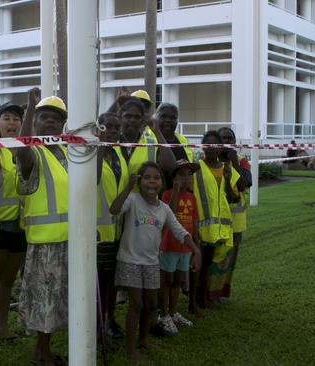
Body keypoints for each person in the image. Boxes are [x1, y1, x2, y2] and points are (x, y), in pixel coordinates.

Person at [110, 162, 201, 362]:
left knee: (151, 305)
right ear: (140, 182)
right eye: (147, 177)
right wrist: (127, 188)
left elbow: (179, 231)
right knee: (136, 304)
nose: (152, 181)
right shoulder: (133, 200)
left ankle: (143, 340)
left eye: (156, 177)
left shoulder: (164, 209)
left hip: (151, 263)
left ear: (162, 182)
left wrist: (195, 250)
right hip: (130, 260)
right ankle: (130, 349)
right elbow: (114, 209)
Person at [15, 88, 69, 366]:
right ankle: (41, 354)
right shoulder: (33, 154)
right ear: (35, 123)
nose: (50, 122)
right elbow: (21, 149)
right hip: (44, 243)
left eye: (56, 119)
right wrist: (30, 107)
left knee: (58, 300)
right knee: (44, 301)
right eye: (44, 117)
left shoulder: (69, 154)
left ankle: (45, 351)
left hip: (69, 240)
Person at [0, 102, 27, 343]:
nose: (12, 123)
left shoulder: (25, 149)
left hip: (20, 225)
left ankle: (1, 329)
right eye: (7, 118)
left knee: (8, 282)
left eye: (16, 119)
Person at [191, 130, 239, 312]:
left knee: (209, 266)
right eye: (208, 144)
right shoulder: (197, 167)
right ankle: (196, 299)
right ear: (203, 146)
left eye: (215, 145)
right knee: (198, 266)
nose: (212, 148)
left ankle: (204, 297)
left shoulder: (226, 168)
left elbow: (232, 196)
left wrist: (227, 178)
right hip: (201, 225)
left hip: (219, 227)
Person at [204, 127, 251, 304]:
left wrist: (235, 164)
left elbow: (243, 186)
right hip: (213, 222)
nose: (226, 142)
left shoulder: (242, 161)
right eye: (222, 138)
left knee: (228, 260)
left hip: (235, 222)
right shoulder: (207, 161)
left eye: (230, 139)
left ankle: (219, 293)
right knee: (212, 259)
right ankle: (206, 292)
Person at [96, 112, 129, 343]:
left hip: (119, 230)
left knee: (112, 282)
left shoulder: (119, 152)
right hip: (98, 232)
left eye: (118, 126)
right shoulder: (93, 153)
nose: (115, 130)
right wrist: (98, 147)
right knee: (99, 283)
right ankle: (97, 327)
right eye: (109, 126)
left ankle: (110, 319)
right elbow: (94, 179)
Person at [157, 159, 200, 335]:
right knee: (166, 281)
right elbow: (171, 214)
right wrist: (175, 190)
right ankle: (163, 314)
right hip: (169, 245)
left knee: (178, 281)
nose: (186, 178)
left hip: (185, 248)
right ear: (173, 177)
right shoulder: (167, 195)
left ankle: (174, 312)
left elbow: (194, 222)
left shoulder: (192, 197)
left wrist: (196, 243)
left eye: (189, 174)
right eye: (181, 174)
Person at [118, 98, 175, 178]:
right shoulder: (111, 142)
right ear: (120, 119)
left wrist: (157, 131)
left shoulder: (151, 143)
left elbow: (170, 166)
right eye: (128, 116)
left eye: (137, 117)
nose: (132, 120)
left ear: (143, 120)